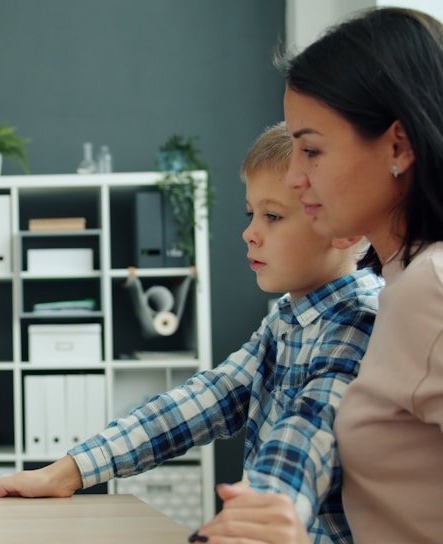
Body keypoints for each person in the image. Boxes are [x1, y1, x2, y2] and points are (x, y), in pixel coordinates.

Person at [0, 122, 383, 544]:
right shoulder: (286, 319)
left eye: (272, 216)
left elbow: (308, 434)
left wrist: (257, 514)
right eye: (250, 212)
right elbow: (203, 400)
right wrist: (69, 471)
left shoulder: (360, 320)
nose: (249, 232)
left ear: (347, 228)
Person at [197, 7, 443, 544]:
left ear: (398, 147)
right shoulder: (401, 285)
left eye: (310, 149)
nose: (294, 176)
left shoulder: (431, 289)